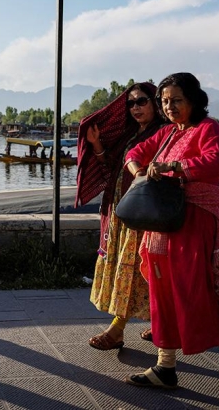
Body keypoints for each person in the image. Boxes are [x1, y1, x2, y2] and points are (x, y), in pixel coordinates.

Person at [122, 73, 219, 401]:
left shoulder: (207, 129)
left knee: (193, 292)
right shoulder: (167, 132)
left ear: (194, 101)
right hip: (165, 221)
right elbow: (133, 153)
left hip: (195, 220)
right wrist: (139, 171)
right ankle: (165, 367)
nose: (169, 107)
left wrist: (172, 166)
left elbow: (217, 161)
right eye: (165, 101)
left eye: (177, 100)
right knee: (162, 290)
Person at [75, 82, 164, 350]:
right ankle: (163, 323)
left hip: (144, 215)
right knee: (145, 271)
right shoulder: (130, 135)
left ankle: (117, 330)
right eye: (131, 103)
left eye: (142, 101)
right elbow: (111, 167)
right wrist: (96, 143)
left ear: (156, 103)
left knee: (139, 270)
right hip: (121, 210)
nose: (135, 107)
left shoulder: (163, 134)